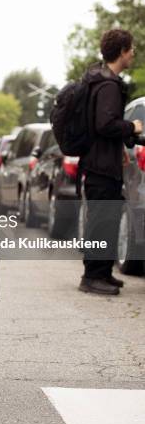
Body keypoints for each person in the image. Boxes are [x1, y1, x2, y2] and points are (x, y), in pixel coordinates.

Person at [78, 29, 143, 295]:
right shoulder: (108, 86)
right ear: (123, 51)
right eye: (132, 48)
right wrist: (132, 126)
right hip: (100, 165)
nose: (134, 53)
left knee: (108, 218)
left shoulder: (104, 81)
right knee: (101, 221)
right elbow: (105, 124)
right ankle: (92, 276)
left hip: (103, 163)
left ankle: (103, 272)